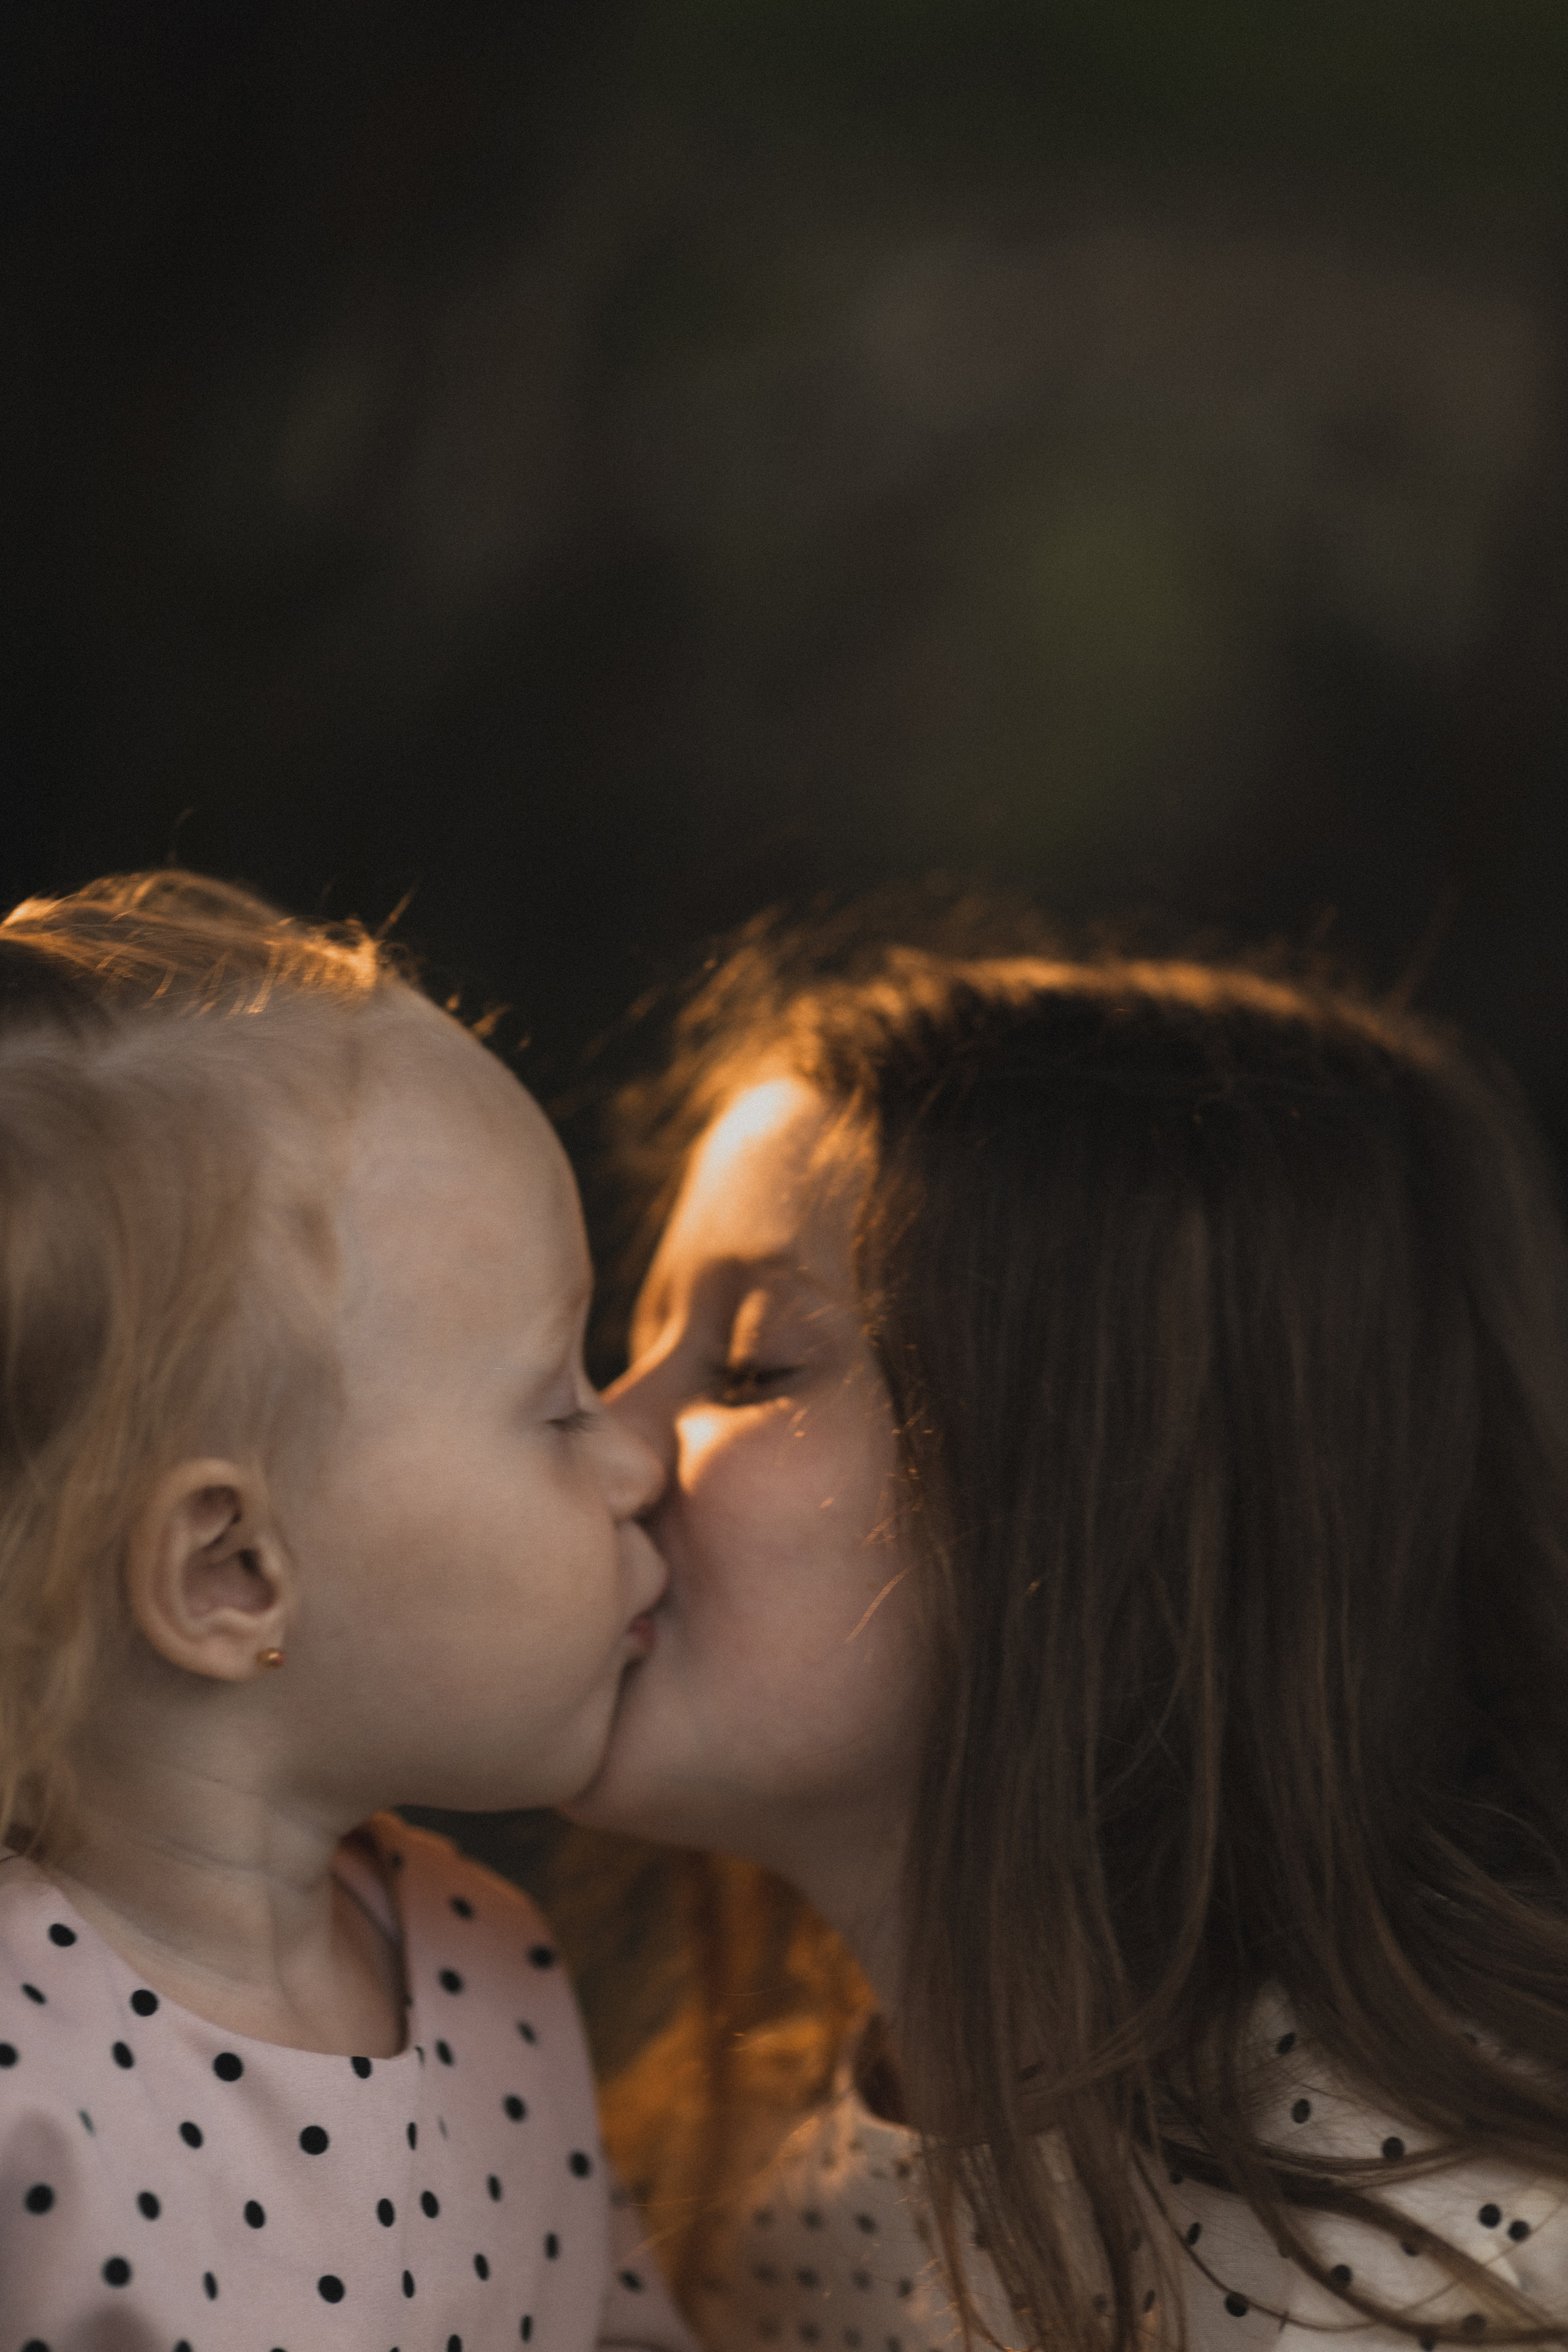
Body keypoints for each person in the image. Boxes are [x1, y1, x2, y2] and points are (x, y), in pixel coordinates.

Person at [566, 922, 1568, 2352]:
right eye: (635, 1343)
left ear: (1120, 1496)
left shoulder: (1432, 2270)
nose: (606, 1440)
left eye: (747, 1366)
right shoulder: (746, 2196)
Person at [0, 870, 692, 2350]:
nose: (640, 1455)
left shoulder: (486, 1955)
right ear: (229, 1573)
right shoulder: (22, 2093)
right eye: (553, 1404)